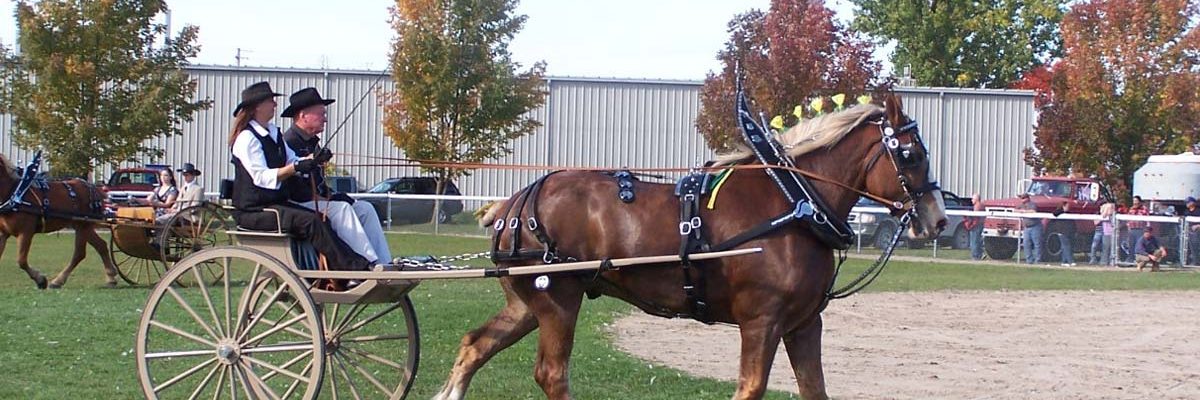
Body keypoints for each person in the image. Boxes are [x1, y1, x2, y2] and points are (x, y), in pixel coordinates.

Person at [227, 81, 373, 271]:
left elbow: (293, 159)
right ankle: (353, 268)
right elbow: (261, 177)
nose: (275, 104)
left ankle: (347, 267)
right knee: (312, 220)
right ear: (257, 106)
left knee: (319, 217)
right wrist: (296, 167)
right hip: (254, 211)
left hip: (275, 205)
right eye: (271, 100)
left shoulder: (274, 133)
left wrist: (314, 160)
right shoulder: (247, 138)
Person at [281, 87, 392, 264]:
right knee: (342, 209)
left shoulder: (311, 143)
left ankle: (384, 263)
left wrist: (332, 194)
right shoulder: (289, 142)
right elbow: (296, 189)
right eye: (321, 113)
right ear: (303, 115)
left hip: (317, 201)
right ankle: (367, 264)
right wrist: (329, 200)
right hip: (298, 205)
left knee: (365, 209)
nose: (325, 118)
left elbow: (318, 182)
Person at [1016, 193, 1043, 264]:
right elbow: (1015, 210)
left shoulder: (1032, 204)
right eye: (1021, 198)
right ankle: (1029, 260)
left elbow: (1033, 211)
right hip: (1027, 228)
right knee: (1026, 244)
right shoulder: (1021, 205)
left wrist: (1024, 211)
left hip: (1035, 226)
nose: (1022, 200)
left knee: (1037, 244)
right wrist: (1020, 211)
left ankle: (1038, 260)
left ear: (1027, 198)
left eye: (1023, 198)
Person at [1124, 196, 1150, 262]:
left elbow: (1147, 218)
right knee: (1131, 245)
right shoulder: (1131, 209)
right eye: (1134, 201)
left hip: (1140, 229)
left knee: (1139, 245)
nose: (1135, 202)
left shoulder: (1144, 208)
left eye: (1136, 200)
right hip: (1132, 229)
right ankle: (1130, 259)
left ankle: (1139, 259)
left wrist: (1147, 229)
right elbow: (1128, 220)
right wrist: (1128, 227)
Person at [963, 193, 985, 260]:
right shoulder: (980, 205)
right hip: (979, 225)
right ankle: (980, 254)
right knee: (977, 240)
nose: (971, 200)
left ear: (976, 199)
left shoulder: (978, 206)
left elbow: (976, 217)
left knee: (974, 241)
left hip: (976, 226)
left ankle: (975, 256)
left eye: (972, 198)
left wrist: (970, 222)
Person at [1053, 201, 1076, 266]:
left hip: (1068, 232)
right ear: (1063, 206)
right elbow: (1054, 214)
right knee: (1066, 246)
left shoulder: (1069, 213)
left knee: (1065, 247)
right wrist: (1062, 210)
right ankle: (1070, 261)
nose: (1068, 207)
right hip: (1062, 232)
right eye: (1067, 206)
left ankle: (1064, 261)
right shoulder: (1058, 212)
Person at [1183, 197, 1200, 265]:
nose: (1187, 204)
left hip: (1196, 233)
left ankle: (1196, 261)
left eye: (1188, 202)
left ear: (1193, 203)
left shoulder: (1198, 211)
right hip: (1188, 232)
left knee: (1195, 247)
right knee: (1187, 247)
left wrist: (1198, 226)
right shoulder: (1186, 212)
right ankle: (1186, 261)